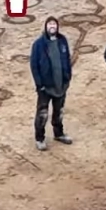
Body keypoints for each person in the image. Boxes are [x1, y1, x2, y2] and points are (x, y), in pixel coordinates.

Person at [28, 15, 74, 148]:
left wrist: (67, 78)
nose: (52, 26)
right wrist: (39, 85)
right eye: (50, 24)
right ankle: (40, 139)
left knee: (59, 112)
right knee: (42, 114)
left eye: (54, 24)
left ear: (57, 26)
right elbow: (34, 66)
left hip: (61, 85)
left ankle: (59, 134)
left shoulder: (62, 40)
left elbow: (67, 59)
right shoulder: (38, 44)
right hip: (45, 88)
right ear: (46, 27)